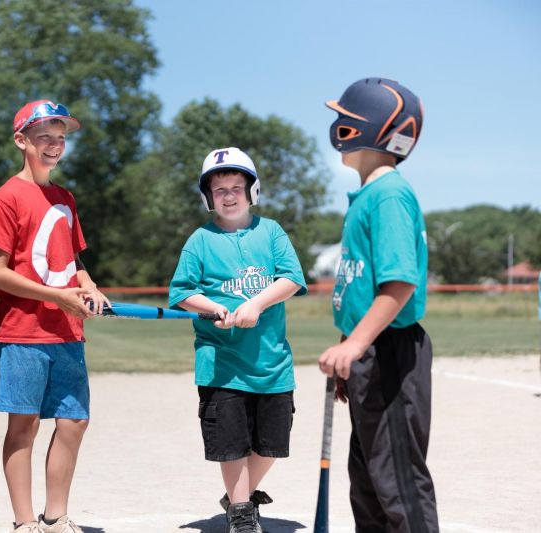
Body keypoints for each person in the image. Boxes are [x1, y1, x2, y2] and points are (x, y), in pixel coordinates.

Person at [0, 100, 109, 533]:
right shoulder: (7, 197)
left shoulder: (64, 198)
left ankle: (55, 517)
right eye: (44, 138)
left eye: (60, 138)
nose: (54, 145)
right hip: (23, 331)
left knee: (74, 421)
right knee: (26, 425)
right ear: (22, 141)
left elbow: (73, 261)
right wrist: (58, 296)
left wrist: (87, 286)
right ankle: (23, 522)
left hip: (66, 331)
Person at [318, 78, 440, 532]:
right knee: (368, 480)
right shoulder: (369, 195)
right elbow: (361, 290)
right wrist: (351, 344)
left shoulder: (388, 194)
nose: (337, 125)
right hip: (370, 350)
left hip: (390, 352)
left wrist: (356, 346)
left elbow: (400, 284)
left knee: (397, 482)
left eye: (344, 116)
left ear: (366, 126)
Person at [169, 147, 307, 533]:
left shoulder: (271, 231)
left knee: (270, 445)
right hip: (221, 360)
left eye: (235, 187)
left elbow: (292, 278)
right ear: (207, 197)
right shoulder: (200, 240)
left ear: (252, 191)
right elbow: (181, 292)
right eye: (219, 190)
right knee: (230, 443)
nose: (228, 196)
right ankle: (243, 512)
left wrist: (255, 305)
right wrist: (213, 307)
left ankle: (235, 498)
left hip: (271, 362)